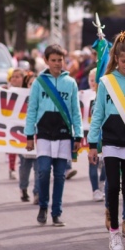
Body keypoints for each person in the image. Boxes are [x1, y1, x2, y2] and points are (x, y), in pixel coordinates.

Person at [88, 33, 125, 250]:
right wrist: (93, 143)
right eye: (124, 61)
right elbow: (98, 113)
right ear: (116, 59)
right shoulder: (106, 82)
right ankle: (113, 232)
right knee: (112, 187)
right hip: (110, 142)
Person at [25, 44, 83, 227]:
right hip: (43, 134)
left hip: (64, 135)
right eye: (54, 60)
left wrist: (78, 135)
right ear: (46, 61)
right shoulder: (39, 82)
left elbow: (76, 111)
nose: (58, 64)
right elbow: (32, 109)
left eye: (60, 60)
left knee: (59, 175)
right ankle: (43, 206)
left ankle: (56, 212)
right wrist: (29, 135)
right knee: (42, 172)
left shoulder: (71, 82)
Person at [85, 69, 106, 203]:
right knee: (93, 162)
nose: (94, 83)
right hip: (91, 133)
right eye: (92, 80)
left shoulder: (104, 94)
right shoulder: (85, 95)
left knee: (105, 162)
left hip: (104, 134)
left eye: (96, 80)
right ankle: (95, 189)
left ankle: (102, 182)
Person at [18, 72, 39, 204]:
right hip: (23, 139)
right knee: (25, 168)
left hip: (39, 139)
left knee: (39, 169)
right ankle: (23, 188)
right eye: (31, 84)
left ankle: (37, 192)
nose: (33, 87)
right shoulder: (20, 97)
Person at [6, 69, 26, 179]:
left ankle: (22, 168)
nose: (14, 79)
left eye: (17, 77)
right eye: (13, 77)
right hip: (12, 121)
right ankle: (12, 168)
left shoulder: (27, 90)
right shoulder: (6, 90)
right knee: (12, 146)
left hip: (24, 122)